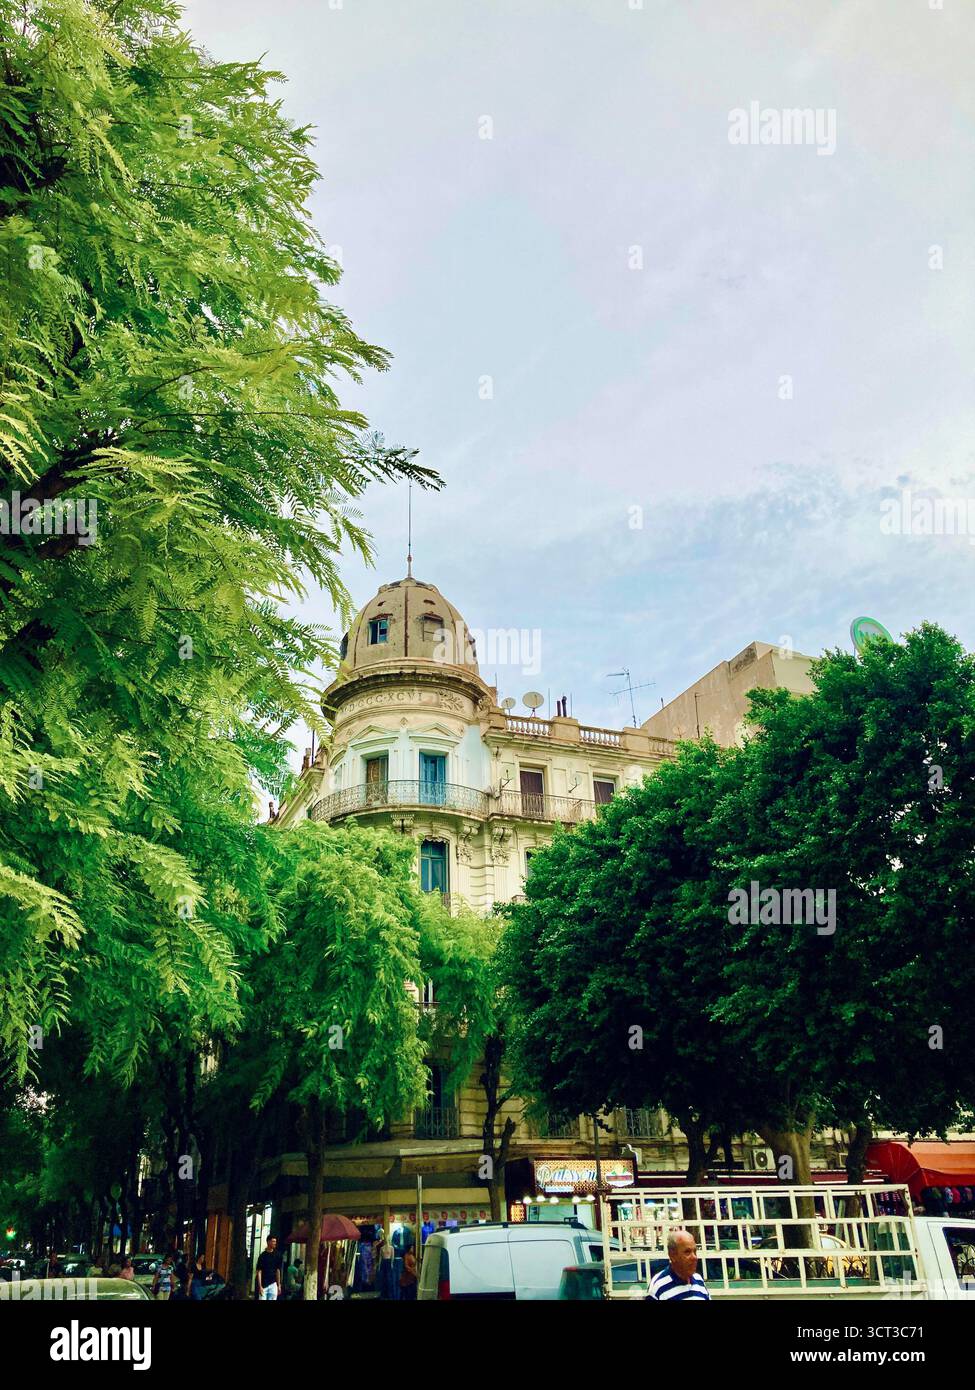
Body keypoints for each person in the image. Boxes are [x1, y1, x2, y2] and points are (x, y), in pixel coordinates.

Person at [645, 1229, 710, 1301]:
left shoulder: (699, 1280)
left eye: (695, 1251)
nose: (694, 1257)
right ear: (672, 1255)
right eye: (687, 1252)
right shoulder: (658, 1286)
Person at [255, 1235, 282, 1301]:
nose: (275, 1243)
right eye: (273, 1241)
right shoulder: (262, 1256)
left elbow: (278, 1271)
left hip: (273, 1284)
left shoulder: (277, 1255)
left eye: (275, 1241)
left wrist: (279, 1285)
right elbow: (259, 1272)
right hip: (264, 1285)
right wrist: (260, 1286)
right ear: (268, 1242)